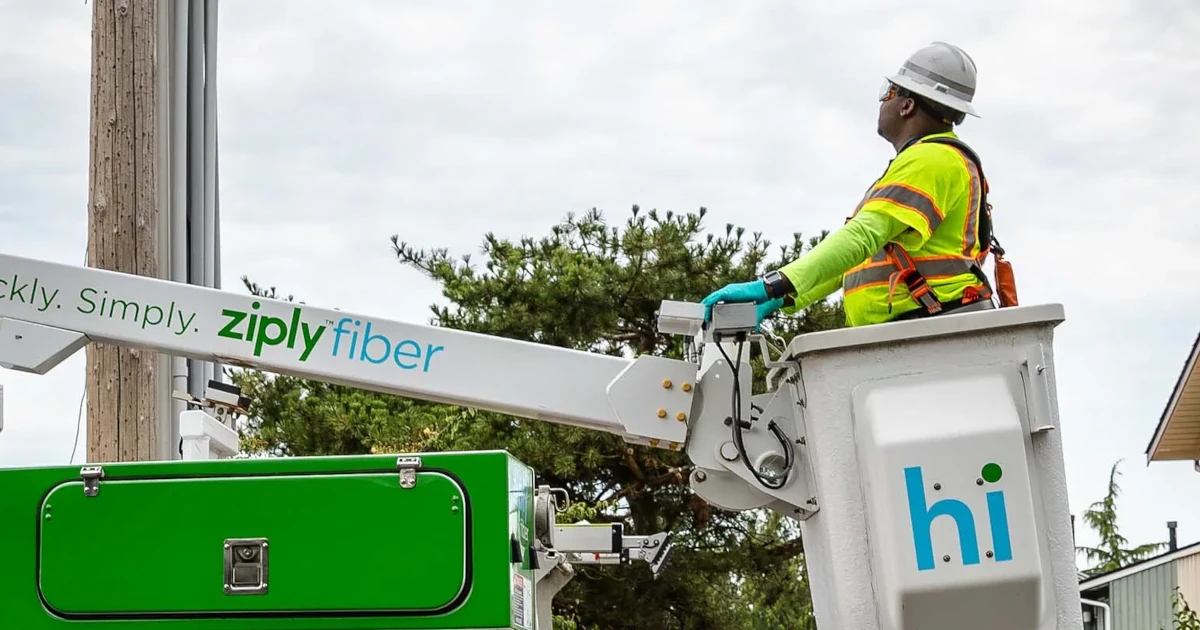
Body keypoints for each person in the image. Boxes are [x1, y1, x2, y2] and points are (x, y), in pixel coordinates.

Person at [703, 41, 1016, 329]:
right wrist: (781, 298)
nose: (882, 102)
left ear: (907, 105)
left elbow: (863, 236)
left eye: (889, 93)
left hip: (934, 329)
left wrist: (769, 284)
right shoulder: (927, 161)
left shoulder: (933, 159)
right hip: (922, 329)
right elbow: (861, 255)